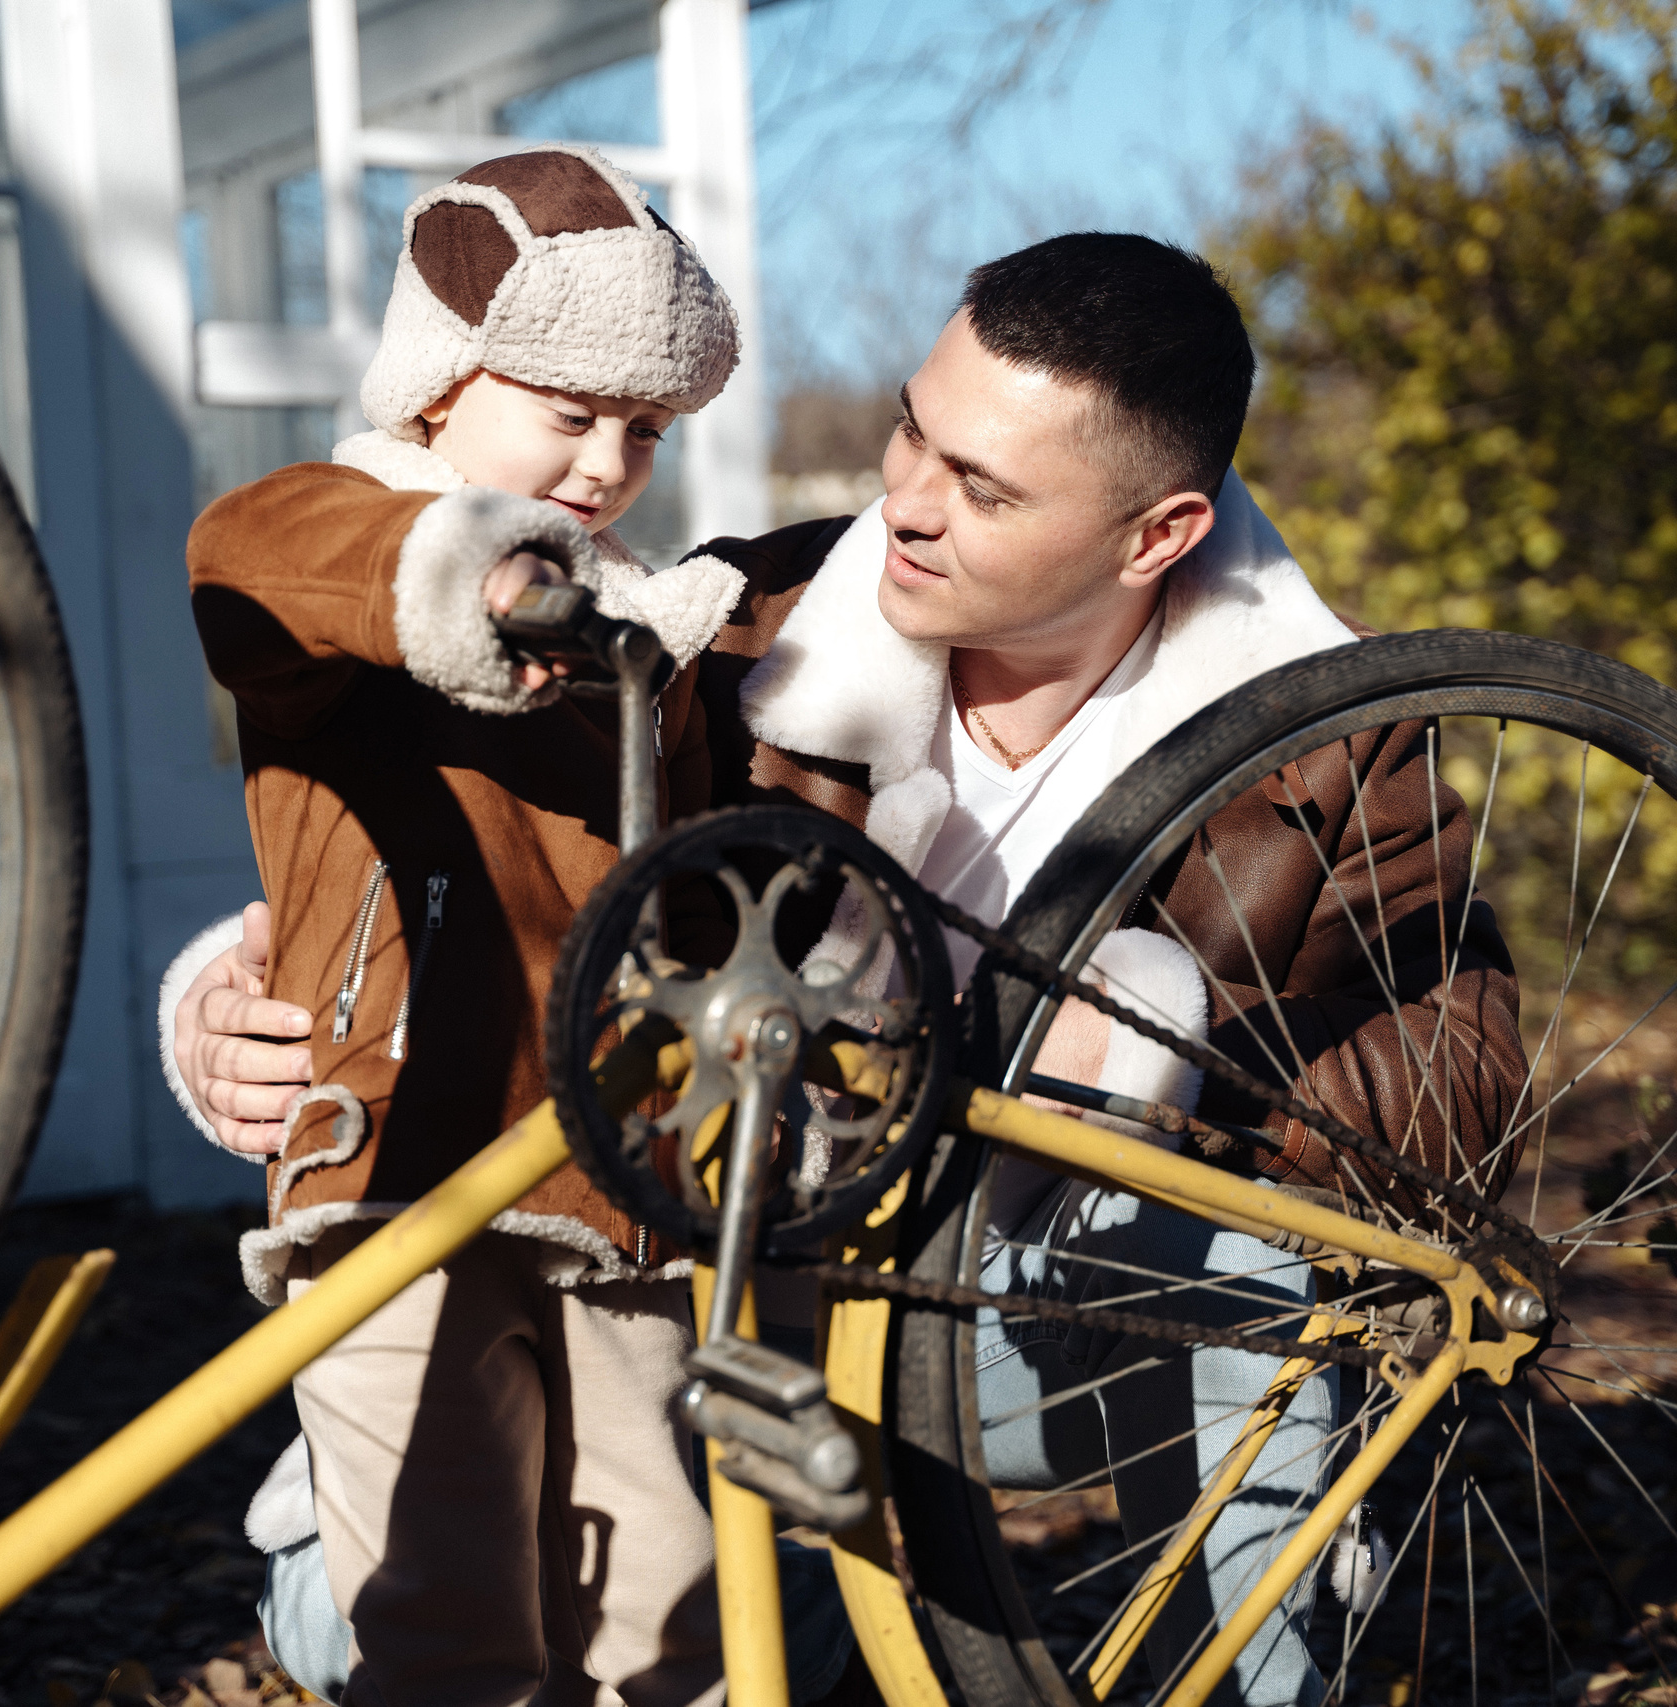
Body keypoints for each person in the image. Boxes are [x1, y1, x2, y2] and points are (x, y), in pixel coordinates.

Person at [171, 233, 1525, 1703]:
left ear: (1158, 536)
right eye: (909, 430)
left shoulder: (1329, 719)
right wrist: (228, 1001)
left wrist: (1162, 1068)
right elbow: (526, 863)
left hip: (1034, 1305)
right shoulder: (747, 617)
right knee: (387, 1622)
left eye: (985, 489)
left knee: (1258, 1299)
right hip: (755, 1300)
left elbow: (1463, 1076)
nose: (906, 502)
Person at [181, 143, 777, 1707]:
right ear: (439, 390)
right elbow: (255, 552)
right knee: (445, 1622)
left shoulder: (644, 624)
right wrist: (467, 575)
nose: (605, 463)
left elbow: (692, 884)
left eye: (642, 429)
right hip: (400, 1166)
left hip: (626, 1176)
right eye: (567, 413)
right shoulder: (357, 553)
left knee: (668, 1615)